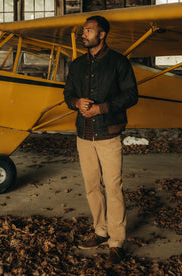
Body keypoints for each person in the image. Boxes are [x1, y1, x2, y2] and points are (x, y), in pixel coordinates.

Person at [63, 15, 138, 264]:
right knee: (92, 187)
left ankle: (117, 241)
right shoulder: (76, 65)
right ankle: (100, 231)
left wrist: (101, 108)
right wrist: (76, 102)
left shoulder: (119, 62)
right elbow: (68, 93)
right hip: (83, 134)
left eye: (88, 31)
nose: (83, 34)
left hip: (108, 134)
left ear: (102, 34)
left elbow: (131, 95)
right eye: (83, 31)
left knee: (113, 188)